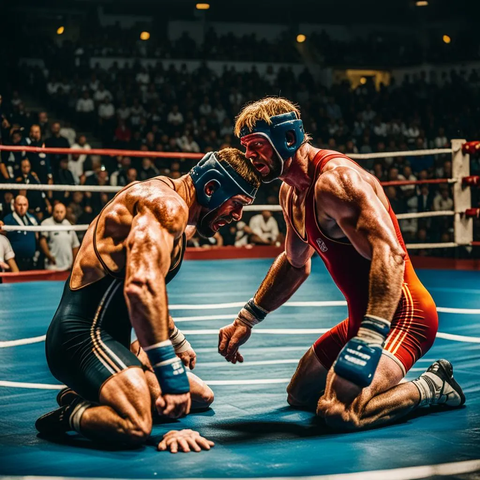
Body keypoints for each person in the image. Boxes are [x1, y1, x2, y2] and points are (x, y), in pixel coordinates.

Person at [218, 97, 465, 431]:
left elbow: (390, 254)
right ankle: (365, 381)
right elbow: (294, 264)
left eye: (257, 146)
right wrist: (247, 318)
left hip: (403, 317)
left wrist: (372, 333)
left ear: (287, 139)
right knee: (300, 395)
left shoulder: (337, 182)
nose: (250, 156)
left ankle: (431, 387)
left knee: (337, 412)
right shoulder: (290, 194)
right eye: (246, 147)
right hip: (360, 319)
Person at [36, 148, 260, 452]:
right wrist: (167, 366)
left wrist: (176, 340)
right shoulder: (165, 205)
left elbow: (151, 285)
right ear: (211, 188)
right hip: (79, 338)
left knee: (201, 397)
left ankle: (84, 394)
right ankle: (72, 414)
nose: (237, 216)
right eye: (236, 204)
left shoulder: (174, 210)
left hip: (113, 340)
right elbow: (141, 287)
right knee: (135, 424)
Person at [39, 203, 80, 271]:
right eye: (57, 212)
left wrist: (74, 263)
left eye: (61, 212)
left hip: (68, 266)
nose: (59, 214)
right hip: (52, 266)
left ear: (65, 212)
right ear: (53, 212)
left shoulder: (68, 224)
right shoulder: (46, 223)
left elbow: (75, 245)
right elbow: (42, 241)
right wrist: (49, 256)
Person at [2, 195, 38, 270]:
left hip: (30, 261)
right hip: (14, 261)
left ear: (27, 205)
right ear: (14, 205)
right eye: (19, 205)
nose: (22, 208)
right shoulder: (7, 220)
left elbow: (37, 237)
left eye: (24, 205)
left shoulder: (32, 219)